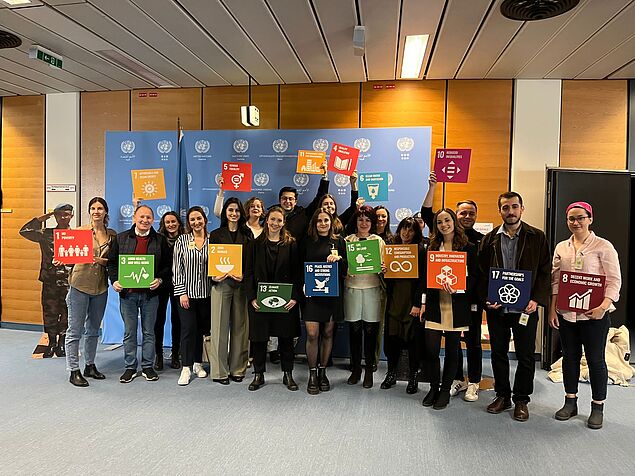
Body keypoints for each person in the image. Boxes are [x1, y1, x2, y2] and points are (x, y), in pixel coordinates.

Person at [478, 192, 550, 422]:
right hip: (497, 310)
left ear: (522, 208)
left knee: (525, 355)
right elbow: (481, 276)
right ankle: (502, 395)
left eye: (514, 207)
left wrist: (536, 299)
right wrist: (486, 300)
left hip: (525, 310)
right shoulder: (488, 240)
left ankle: (521, 399)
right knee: (498, 353)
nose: (510, 211)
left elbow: (545, 272)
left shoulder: (537, 237)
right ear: (500, 211)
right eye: (505, 207)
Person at [549, 202, 621, 429]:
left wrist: (603, 306)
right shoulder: (562, 247)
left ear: (590, 218)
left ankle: (597, 406)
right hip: (567, 314)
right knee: (569, 358)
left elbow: (613, 280)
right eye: (571, 219)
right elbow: (555, 281)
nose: (575, 222)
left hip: (594, 315)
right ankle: (570, 402)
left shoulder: (603, 246)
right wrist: (553, 308)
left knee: (595, 360)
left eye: (580, 218)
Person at [421, 171, 484, 401]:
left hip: (457, 305)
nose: (444, 224)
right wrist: (423, 303)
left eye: (447, 220)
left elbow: (475, 278)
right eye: (440, 222)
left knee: (452, 351)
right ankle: (433, 387)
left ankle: (445, 391)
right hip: (436, 304)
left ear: (454, 222)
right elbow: (424, 279)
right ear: (436, 226)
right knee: (430, 350)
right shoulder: (432, 246)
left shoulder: (467, 247)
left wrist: (458, 286)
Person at [107, 204, 170, 384]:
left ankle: (148, 366)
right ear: (134, 218)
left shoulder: (160, 240)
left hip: (151, 295)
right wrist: (115, 281)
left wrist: (159, 279)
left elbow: (167, 266)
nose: (145, 220)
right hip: (128, 295)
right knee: (129, 332)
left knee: (149, 332)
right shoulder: (121, 239)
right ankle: (130, 367)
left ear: (153, 220)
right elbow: (112, 263)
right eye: (141, 217)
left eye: (149, 217)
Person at [244, 206, 301, 391]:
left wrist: (294, 297)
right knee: (259, 339)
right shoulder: (255, 243)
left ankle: (288, 374)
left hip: (285, 301)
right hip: (260, 300)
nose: (275, 223)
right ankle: (259, 374)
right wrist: (252, 298)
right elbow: (249, 272)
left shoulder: (291, 244)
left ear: (284, 223)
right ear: (266, 220)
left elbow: (296, 273)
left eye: (279, 220)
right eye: (272, 219)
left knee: (286, 338)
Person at [64, 197, 117, 387]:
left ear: (105, 212)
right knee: (75, 330)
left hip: (100, 287)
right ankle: (73, 370)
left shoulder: (112, 235)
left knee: (93, 329)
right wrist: (61, 259)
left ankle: (90, 365)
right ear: (89, 211)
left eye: (100, 208)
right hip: (79, 284)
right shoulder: (79, 232)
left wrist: (98, 259)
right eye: (93, 208)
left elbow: (112, 261)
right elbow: (69, 257)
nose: (96, 211)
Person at [300, 209, 348, 394]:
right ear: (314, 223)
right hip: (312, 296)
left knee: (328, 333)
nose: (322, 223)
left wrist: (340, 259)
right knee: (312, 334)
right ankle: (312, 373)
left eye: (326, 220)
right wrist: (302, 285)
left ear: (331, 221)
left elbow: (347, 268)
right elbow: (298, 266)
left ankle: (322, 371)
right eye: (319, 220)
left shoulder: (339, 241)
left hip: (332, 295)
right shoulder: (306, 242)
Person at [20, 203, 74, 358]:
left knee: (66, 312)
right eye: (59, 214)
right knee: (49, 312)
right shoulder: (46, 233)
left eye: (66, 214)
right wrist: (43, 217)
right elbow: (25, 231)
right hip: (50, 280)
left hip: (68, 280)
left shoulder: (76, 235)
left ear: (71, 215)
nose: (63, 217)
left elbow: (81, 257)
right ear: (55, 216)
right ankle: (51, 343)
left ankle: (62, 343)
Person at [208, 198, 253, 385]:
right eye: (230, 210)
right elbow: (211, 259)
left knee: (240, 329)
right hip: (221, 284)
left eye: (236, 210)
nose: (234, 213)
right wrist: (213, 276)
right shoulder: (216, 234)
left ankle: (238, 368)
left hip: (241, 285)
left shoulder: (247, 233)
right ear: (225, 212)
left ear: (241, 213)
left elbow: (251, 260)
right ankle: (219, 371)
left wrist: (245, 275)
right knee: (219, 328)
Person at [381, 217, 426, 394]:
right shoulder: (391, 250)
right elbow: (387, 279)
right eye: (403, 229)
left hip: (411, 302)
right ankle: (391, 373)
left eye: (411, 230)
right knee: (392, 340)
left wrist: (417, 303)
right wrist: (384, 271)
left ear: (416, 233)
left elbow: (424, 280)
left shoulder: (421, 251)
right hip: (394, 301)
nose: (406, 233)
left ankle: (413, 376)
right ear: (399, 230)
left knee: (413, 341)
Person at [344, 206, 386, 389]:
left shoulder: (378, 241)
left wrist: (384, 268)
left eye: (368, 220)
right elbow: (342, 264)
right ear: (355, 222)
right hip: (352, 289)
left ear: (373, 223)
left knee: (370, 331)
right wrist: (345, 272)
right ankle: (355, 369)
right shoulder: (347, 240)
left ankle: (369, 369)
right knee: (354, 330)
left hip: (372, 289)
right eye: (360, 219)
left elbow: (386, 266)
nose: (364, 223)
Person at [172, 206, 212, 386]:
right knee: (188, 329)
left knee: (201, 330)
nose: (196, 222)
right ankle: (186, 367)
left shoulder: (213, 240)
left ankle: (197, 363)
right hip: (186, 295)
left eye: (199, 218)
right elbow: (177, 268)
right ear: (189, 223)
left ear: (205, 220)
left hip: (207, 294)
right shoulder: (182, 240)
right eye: (192, 219)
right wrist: (181, 292)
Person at [156, 211, 185, 370]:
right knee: (158, 320)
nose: (171, 225)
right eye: (167, 222)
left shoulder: (186, 239)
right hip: (161, 283)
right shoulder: (158, 239)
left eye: (173, 221)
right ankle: (158, 355)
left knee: (177, 320)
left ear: (178, 223)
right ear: (163, 224)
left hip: (179, 284)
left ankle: (175, 354)